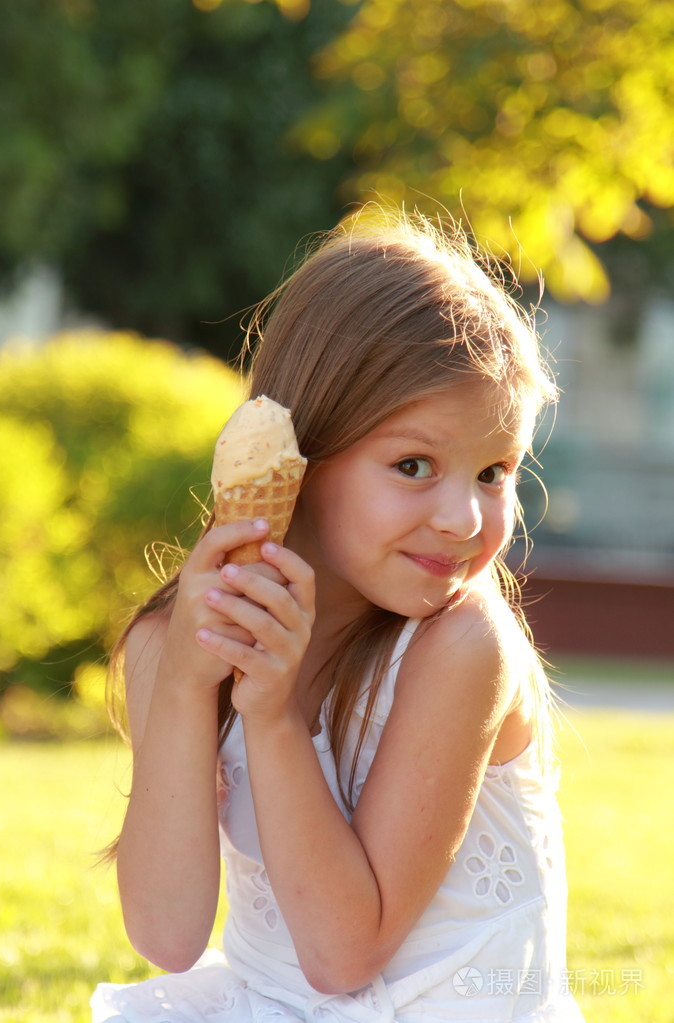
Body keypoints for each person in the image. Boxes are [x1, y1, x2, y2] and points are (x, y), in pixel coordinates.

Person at [91, 209, 584, 1022]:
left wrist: (274, 716)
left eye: (495, 471)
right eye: (414, 465)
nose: (465, 517)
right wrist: (184, 683)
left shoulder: (462, 645)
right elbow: (168, 933)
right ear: (302, 453)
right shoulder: (171, 644)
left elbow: (343, 952)